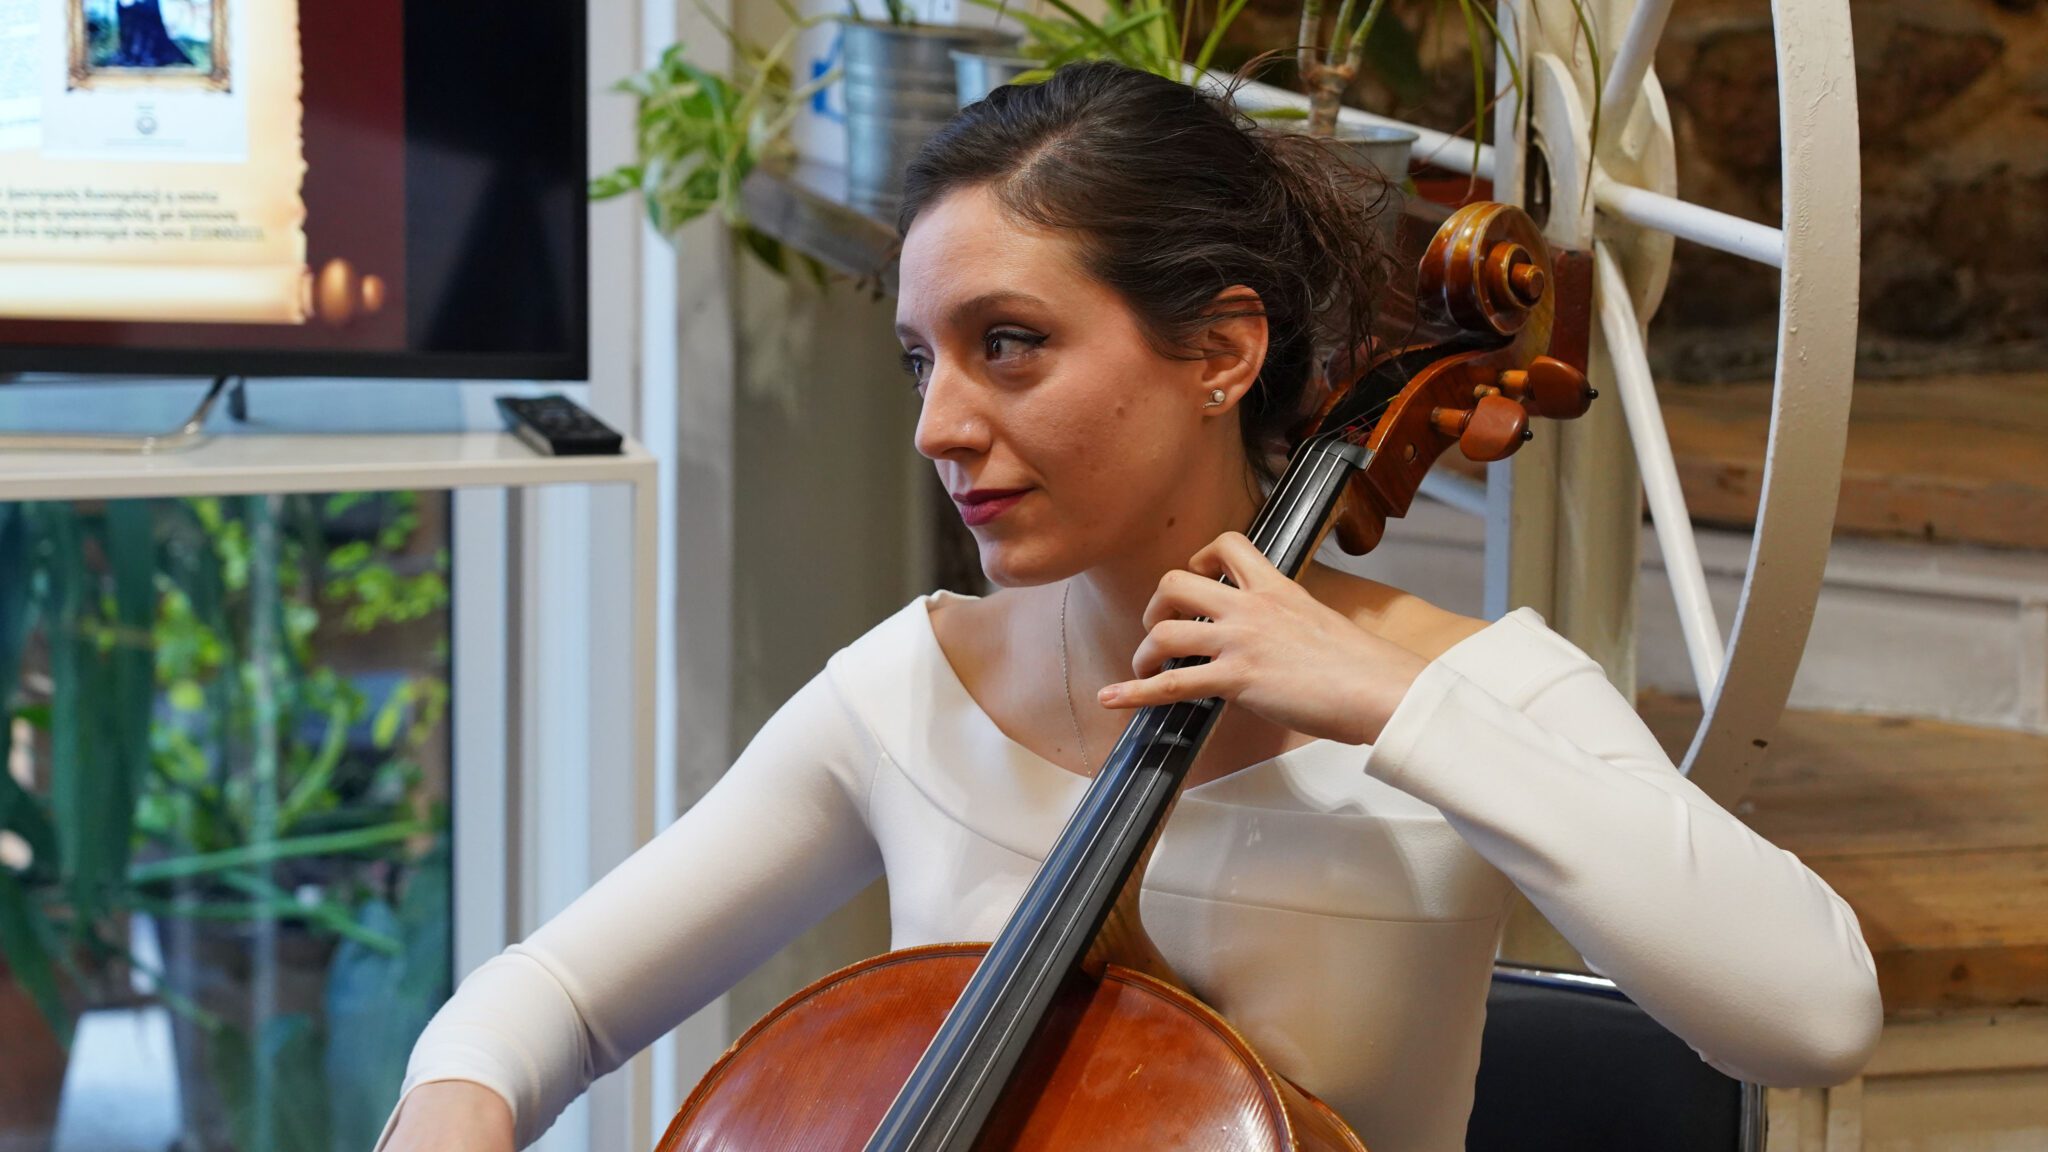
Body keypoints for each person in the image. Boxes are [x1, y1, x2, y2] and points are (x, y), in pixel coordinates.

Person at [375, 61, 1881, 1152]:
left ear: (1220, 352)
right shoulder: (908, 695)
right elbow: (541, 1005)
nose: (938, 425)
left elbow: (1812, 1012)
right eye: (922, 359)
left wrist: (1393, 705)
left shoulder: (1468, 692)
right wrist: (457, 1110)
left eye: (1009, 344)